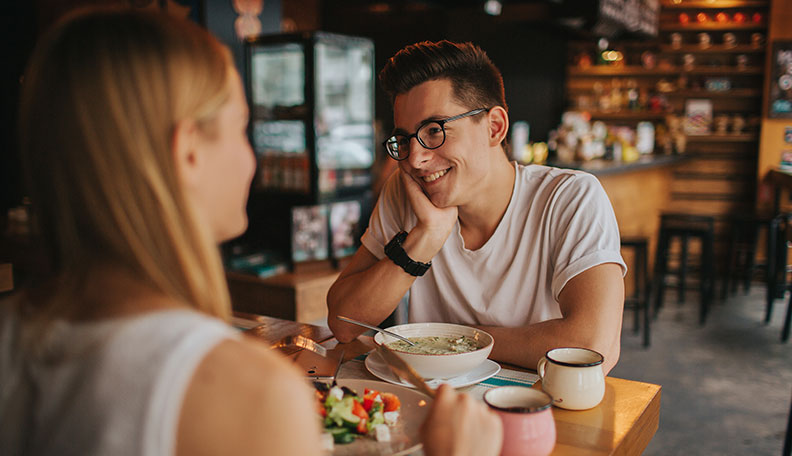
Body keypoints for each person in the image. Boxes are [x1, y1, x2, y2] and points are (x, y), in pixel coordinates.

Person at [0, 10, 501, 456]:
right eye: (242, 128)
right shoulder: (251, 395)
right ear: (188, 153)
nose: (254, 158)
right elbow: (344, 320)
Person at [328, 40, 626, 374]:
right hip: (428, 399)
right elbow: (344, 323)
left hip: (535, 401)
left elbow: (593, 347)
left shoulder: (569, 198)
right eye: (405, 140)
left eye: (434, 130)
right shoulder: (406, 191)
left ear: (494, 127)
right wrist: (424, 240)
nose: (416, 159)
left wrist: (453, 343)